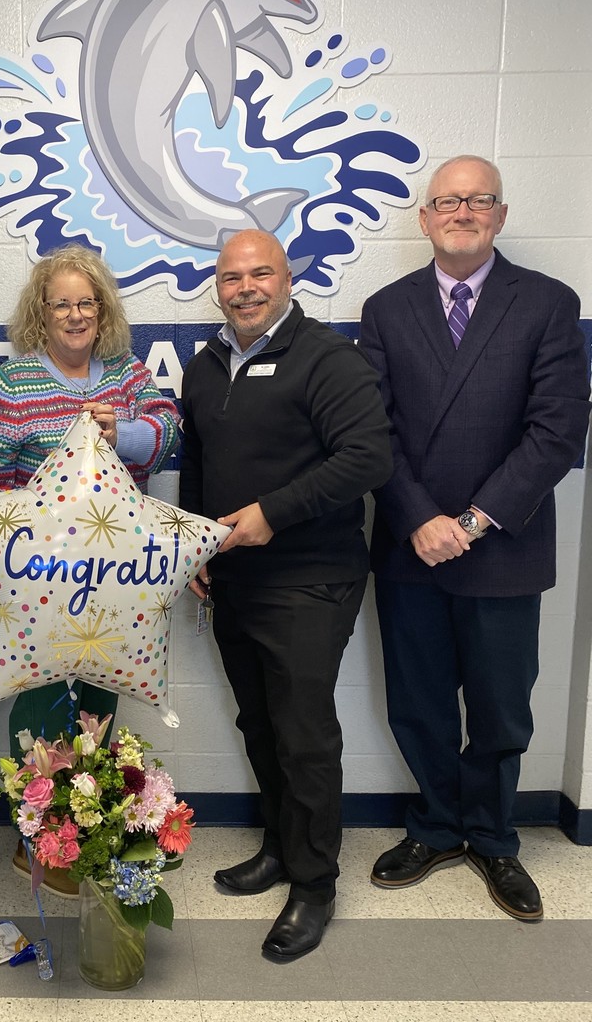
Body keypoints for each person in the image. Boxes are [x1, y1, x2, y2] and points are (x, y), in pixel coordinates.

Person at [359, 155, 590, 921]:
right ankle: (435, 826)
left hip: (501, 544)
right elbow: (374, 433)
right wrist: (419, 518)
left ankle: (493, 838)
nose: (462, 211)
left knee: (499, 709)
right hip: (409, 545)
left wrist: (468, 522)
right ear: (424, 219)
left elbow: (557, 430)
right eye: (446, 201)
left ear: (499, 214)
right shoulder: (385, 309)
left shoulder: (550, 303)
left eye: (477, 199)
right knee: (418, 704)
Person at [0, 243, 180, 895]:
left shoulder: (127, 373)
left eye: (86, 301)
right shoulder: (11, 384)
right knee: (42, 710)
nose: (75, 314)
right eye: (61, 303)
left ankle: (87, 824)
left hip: (114, 590)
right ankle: (41, 840)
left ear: (102, 309)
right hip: (38, 587)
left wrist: (122, 431)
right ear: (40, 313)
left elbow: (172, 435)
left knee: (98, 705)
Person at [179, 229, 392, 962]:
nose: (245, 287)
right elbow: (200, 467)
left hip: (311, 577)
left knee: (303, 734)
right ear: (218, 285)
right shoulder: (205, 367)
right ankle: (280, 845)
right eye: (232, 276)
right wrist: (195, 547)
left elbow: (368, 457)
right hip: (232, 577)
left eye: (260, 272)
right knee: (260, 724)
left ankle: (314, 884)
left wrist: (272, 512)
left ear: (288, 277)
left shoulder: (328, 358)